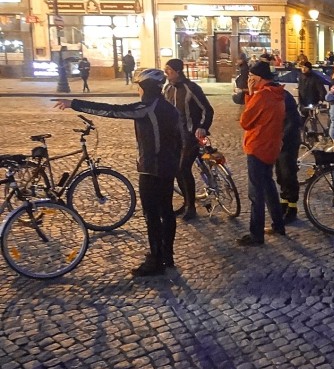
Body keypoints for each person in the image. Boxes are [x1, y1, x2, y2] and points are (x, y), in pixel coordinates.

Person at [54, 69, 181, 276]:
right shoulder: (169, 108)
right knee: (166, 212)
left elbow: (112, 111)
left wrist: (75, 104)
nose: (137, 91)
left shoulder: (146, 108)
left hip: (152, 169)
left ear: (145, 88)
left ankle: (156, 261)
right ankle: (167, 255)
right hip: (168, 167)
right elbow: (179, 140)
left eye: (138, 87)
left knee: (152, 214)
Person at [238, 61, 287, 246]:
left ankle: (256, 235)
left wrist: (250, 95)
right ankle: (278, 224)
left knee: (256, 193)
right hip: (271, 147)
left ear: (258, 79)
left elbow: (245, 121)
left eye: (251, 78)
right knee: (268, 187)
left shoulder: (262, 96)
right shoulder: (277, 94)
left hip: (257, 147)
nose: (249, 81)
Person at [163, 58, 215, 221]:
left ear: (178, 72)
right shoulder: (167, 89)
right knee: (175, 168)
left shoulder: (191, 88)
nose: (167, 74)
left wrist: (203, 127)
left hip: (191, 135)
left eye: (169, 71)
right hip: (175, 136)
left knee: (183, 168)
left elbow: (207, 109)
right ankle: (186, 202)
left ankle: (191, 207)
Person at [274, 64, 302, 224]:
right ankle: (284, 202)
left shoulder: (284, 97)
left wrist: (282, 138)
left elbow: (293, 121)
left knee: (288, 173)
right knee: (280, 174)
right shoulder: (274, 96)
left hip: (288, 142)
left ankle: (292, 207)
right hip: (278, 142)